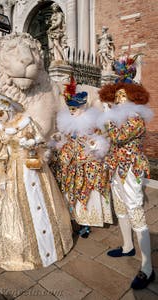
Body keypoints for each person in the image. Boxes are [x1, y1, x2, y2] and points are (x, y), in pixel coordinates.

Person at [0, 95, 73, 271]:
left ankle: (47, 245)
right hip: (9, 169)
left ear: (9, 110)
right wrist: (0, 169)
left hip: (30, 167)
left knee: (37, 201)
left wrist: (31, 143)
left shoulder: (26, 121)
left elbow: (41, 141)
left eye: (1, 112)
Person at [98, 55, 155, 289]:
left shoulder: (135, 120)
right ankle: (127, 246)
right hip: (115, 169)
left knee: (135, 211)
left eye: (124, 97)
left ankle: (147, 268)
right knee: (120, 207)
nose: (119, 101)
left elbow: (118, 137)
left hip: (130, 170)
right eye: (117, 96)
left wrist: (107, 116)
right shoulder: (118, 118)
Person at [50, 76, 113, 238]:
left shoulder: (92, 121)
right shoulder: (67, 121)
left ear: (82, 108)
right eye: (70, 109)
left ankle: (85, 222)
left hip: (86, 162)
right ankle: (73, 218)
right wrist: (59, 140)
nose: (72, 112)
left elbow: (100, 139)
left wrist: (93, 146)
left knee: (86, 189)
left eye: (75, 109)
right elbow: (65, 138)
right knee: (69, 188)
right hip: (71, 162)